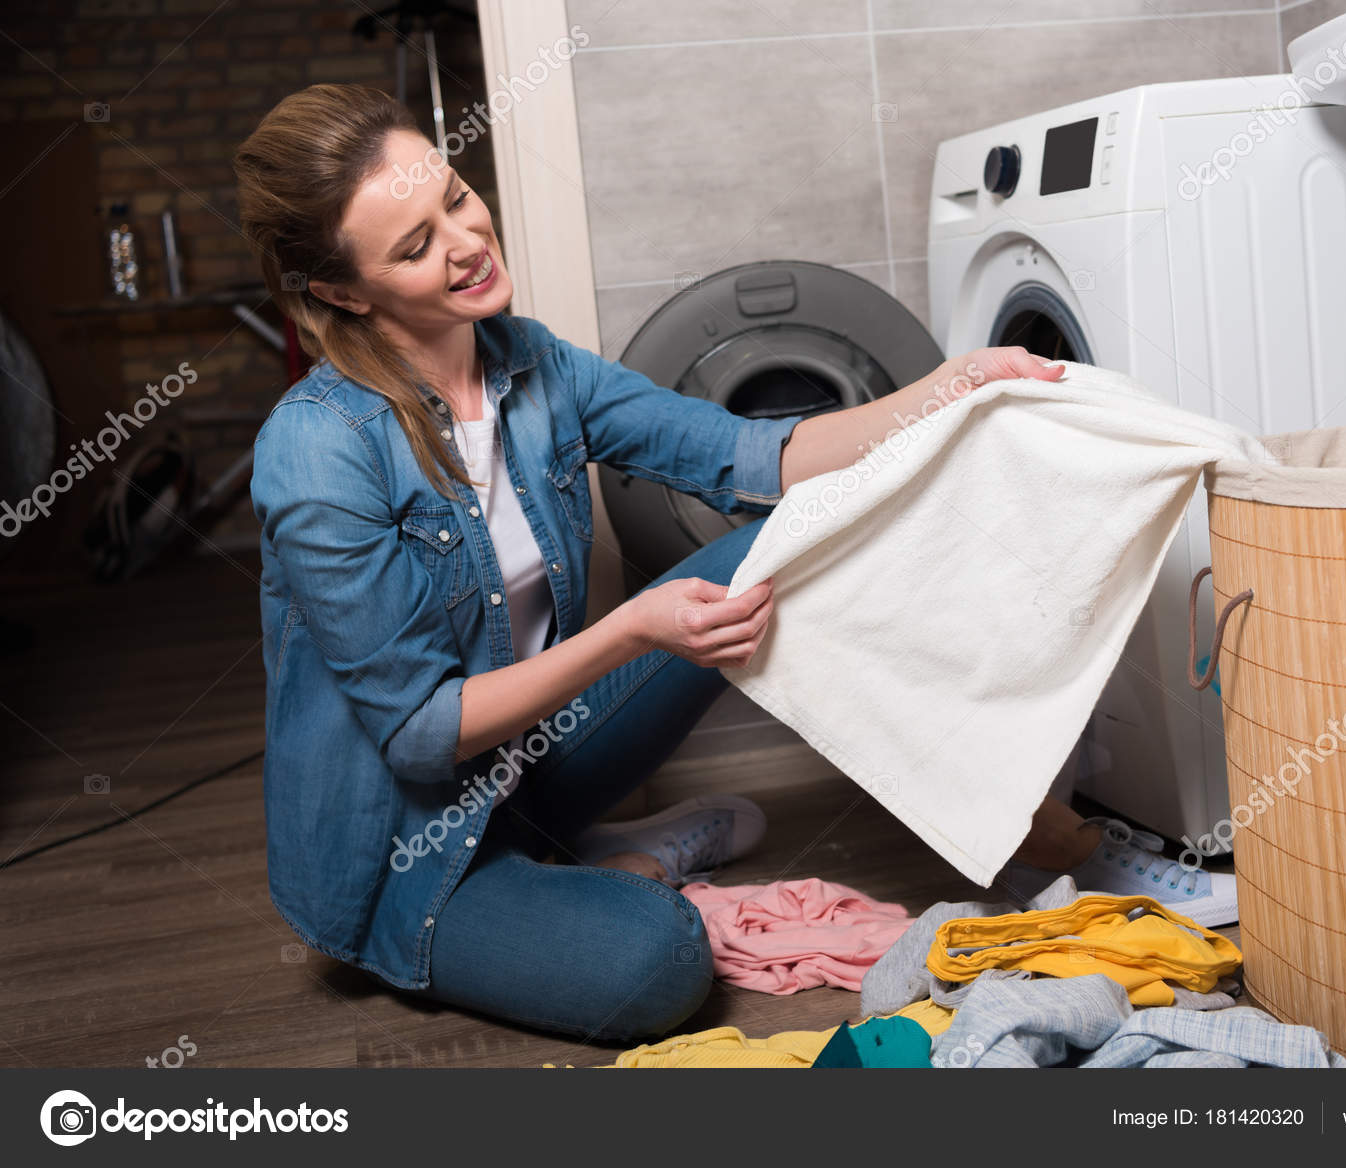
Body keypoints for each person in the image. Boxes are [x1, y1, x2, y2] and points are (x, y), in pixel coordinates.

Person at [233, 83, 1153, 1045]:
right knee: (660, 964)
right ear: (340, 290)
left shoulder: (530, 364)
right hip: (408, 854)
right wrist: (633, 627)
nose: (466, 242)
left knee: (789, 540)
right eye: (415, 246)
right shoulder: (318, 450)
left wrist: (955, 384)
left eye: (456, 199)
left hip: (528, 764)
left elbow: (756, 458)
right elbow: (422, 736)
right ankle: (621, 870)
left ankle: (1036, 827)